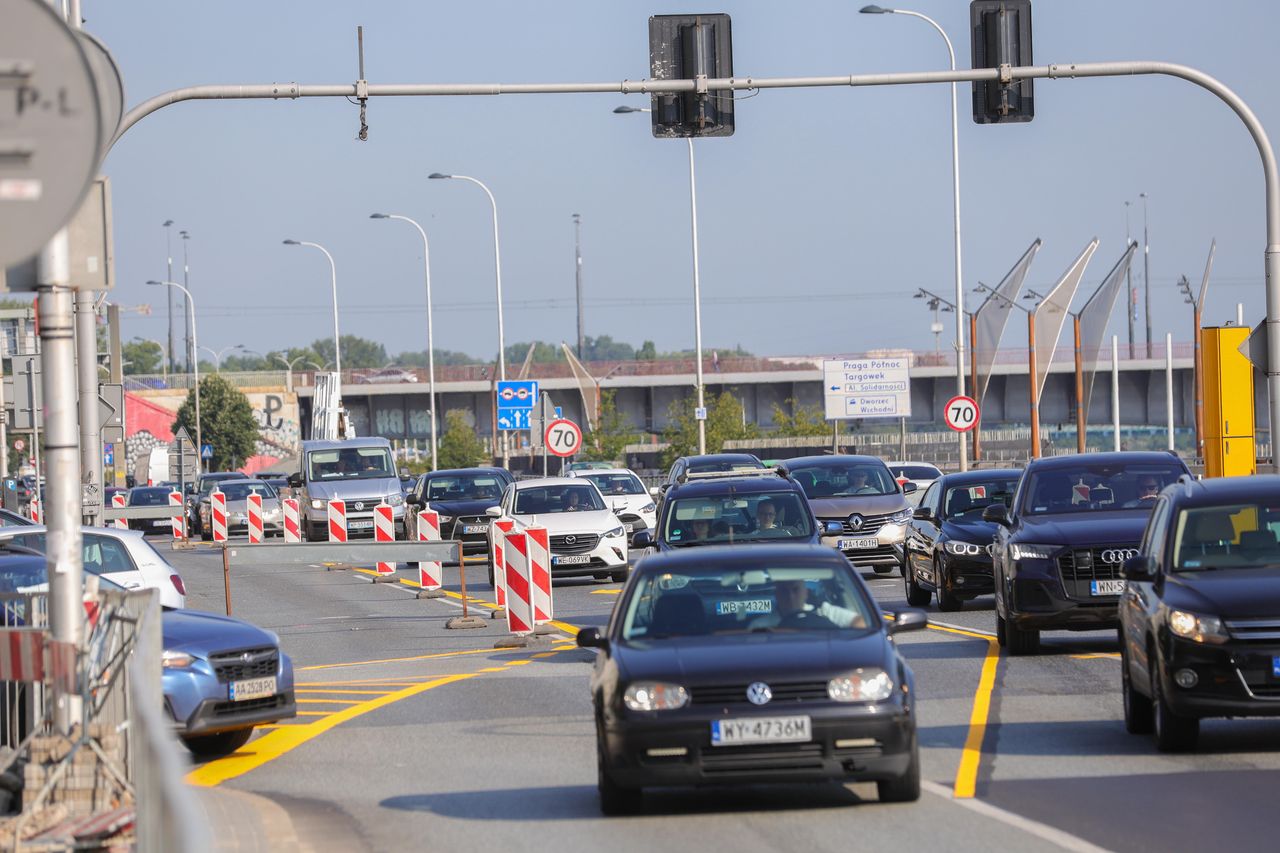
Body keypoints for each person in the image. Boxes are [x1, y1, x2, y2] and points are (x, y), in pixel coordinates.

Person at [750, 579, 865, 629]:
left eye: (795, 590)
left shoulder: (823, 611)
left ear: (806, 593)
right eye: (784, 591)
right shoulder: (761, 626)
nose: (790, 596)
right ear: (777, 595)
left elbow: (859, 622)